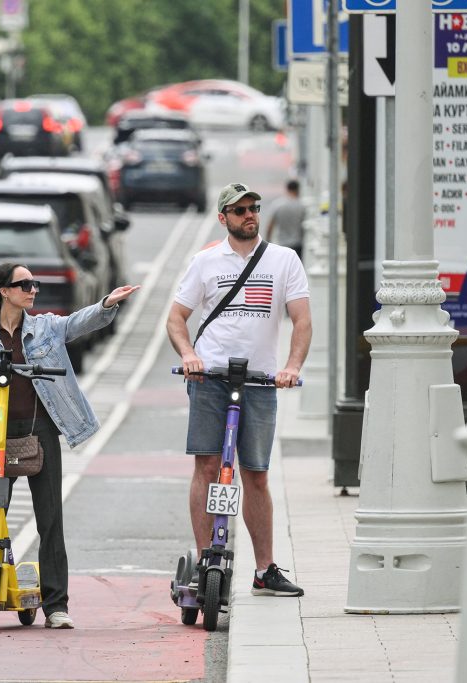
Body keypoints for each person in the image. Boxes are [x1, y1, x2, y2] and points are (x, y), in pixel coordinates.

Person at [0, 263, 140, 629]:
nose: (33, 290)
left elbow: (76, 324)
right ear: (4, 291)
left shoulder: (45, 327)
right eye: (25, 284)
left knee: (50, 520)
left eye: (35, 284)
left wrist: (106, 304)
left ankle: (56, 606)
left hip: (40, 433)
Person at [166, 182, 311, 597]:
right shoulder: (205, 262)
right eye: (240, 210)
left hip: (260, 382)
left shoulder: (284, 260)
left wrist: (292, 367)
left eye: (254, 208)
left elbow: (301, 320)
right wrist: (189, 355)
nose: (250, 215)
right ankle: (204, 561)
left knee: (257, 475)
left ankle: (265, 569)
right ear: (223, 217)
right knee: (208, 467)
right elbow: (176, 318)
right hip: (210, 379)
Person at [266, 179, 306, 259]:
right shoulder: (301, 206)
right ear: (298, 190)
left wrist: (267, 242)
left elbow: (270, 226)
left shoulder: (277, 205)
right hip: (297, 244)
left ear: (287, 189)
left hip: (281, 244)